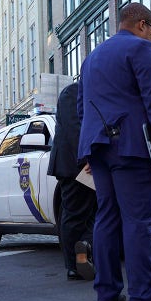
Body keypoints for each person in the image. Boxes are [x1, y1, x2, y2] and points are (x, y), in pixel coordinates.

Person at [77, 3, 151, 301]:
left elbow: (81, 108)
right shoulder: (141, 49)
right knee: (138, 221)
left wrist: (87, 151)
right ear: (141, 25)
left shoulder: (91, 57)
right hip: (132, 148)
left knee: (106, 218)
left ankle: (107, 294)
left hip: (98, 148)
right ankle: (142, 296)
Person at [47, 82, 98, 282]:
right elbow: (73, 127)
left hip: (85, 163)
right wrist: (88, 156)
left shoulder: (90, 90)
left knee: (91, 212)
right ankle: (74, 264)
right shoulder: (72, 91)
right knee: (75, 213)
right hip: (76, 164)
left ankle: (84, 253)